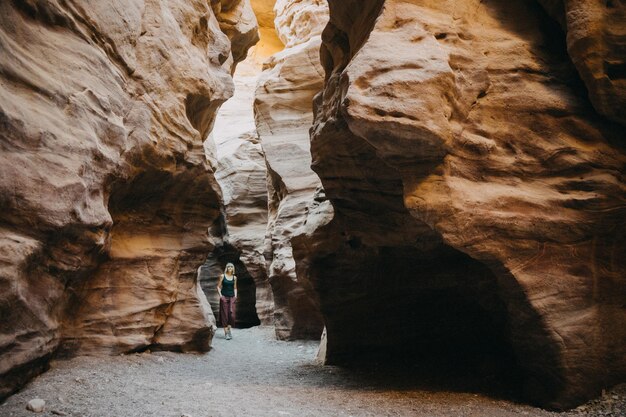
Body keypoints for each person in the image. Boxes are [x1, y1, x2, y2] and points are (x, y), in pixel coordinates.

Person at [217, 263, 237, 340]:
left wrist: (235, 296)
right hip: (224, 297)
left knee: (232, 315)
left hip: (232, 297)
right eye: (228, 266)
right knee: (225, 315)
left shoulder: (234, 278)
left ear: (233, 268)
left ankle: (229, 331)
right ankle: (226, 334)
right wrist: (221, 296)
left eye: (231, 266)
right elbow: (218, 287)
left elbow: (235, 288)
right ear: (226, 268)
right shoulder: (222, 276)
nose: (230, 268)